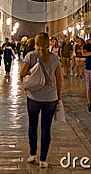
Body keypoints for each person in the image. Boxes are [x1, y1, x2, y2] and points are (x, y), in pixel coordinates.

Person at [19, 32, 62, 169]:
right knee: (46, 128)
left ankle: (32, 154)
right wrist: (59, 95)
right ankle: (43, 159)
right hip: (50, 98)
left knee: (32, 125)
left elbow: (21, 74)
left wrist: (27, 85)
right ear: (48, 43)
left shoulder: (31, 56)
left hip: (34, 96)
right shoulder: (55, 58)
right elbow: (59, 79)